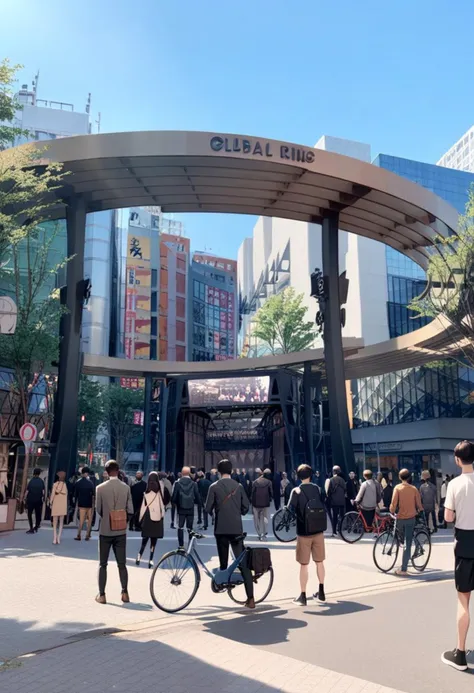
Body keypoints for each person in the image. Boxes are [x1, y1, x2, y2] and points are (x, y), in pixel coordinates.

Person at [205, 458, 255, 609]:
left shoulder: (214, 487)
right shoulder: (238, 486)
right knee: (243, 563)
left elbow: (207, 508)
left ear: (219, 472)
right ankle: (251, 598)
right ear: (231, 471)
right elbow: (246, 507)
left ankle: (224, 583)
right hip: (236, 529)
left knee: (223, 563)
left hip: (220, 529)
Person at [441, 440, 474, 671]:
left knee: (464, 599)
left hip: (465, 544)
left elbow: (448, 518)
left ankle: (460, 654)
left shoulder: (454, 484)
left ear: (457, 459)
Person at [95, 460, 133, 605]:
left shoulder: (100, 488)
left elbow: (98, 509)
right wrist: (122, 519)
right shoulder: (126, 488)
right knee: (122, 564)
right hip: (121, 530)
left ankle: (102, 595)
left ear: (106, 471)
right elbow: (130, 509)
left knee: (103, 564)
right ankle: (125, 592)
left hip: (105, 530)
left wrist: (107, 517)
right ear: (118, 470)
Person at [289, 464, 327, 606]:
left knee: (304, 565)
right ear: (311, 475)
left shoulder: (296, 490)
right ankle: (321, 592)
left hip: (303, 531)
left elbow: (289, 509)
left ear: (298, 476)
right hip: (318, 530)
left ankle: (303, 596)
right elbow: (324, 503)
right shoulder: (317, 489)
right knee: (320, 562)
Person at [390, 469, 423, 577]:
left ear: (399, 477)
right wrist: (420, 511)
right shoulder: (414, 489)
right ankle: (404, 568)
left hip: (400, 519)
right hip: (411, 518)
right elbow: (419, 504)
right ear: (409, 477)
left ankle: (403, 567)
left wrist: (391, 511)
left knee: (402, 539)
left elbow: (393, 504)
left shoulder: (397, 488)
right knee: (407, 542)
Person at [136, 471, 170, 568]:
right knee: (153, 541)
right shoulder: (160, 490)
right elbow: (165, 501)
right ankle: (150, 560)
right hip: (157, 517)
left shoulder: (147, 490)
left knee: (144, 540)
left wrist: (140, 519)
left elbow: (143, 506)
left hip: (148, 516)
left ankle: (139, 556)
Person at [171, 466, 201, 548]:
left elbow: (174, 497)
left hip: (181, 508)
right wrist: (197, 503)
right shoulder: (193, 484)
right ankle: (190, 544)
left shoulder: (177, 483)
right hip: (190, 508)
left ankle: (181, 545)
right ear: (189, 473)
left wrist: (176, 503)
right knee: (190, 527)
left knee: (180, 526)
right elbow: (197, 496)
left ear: (182, 473)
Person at [74, 466, 95, 541]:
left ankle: (79, 535)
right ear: (87, 473)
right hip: (89, 504)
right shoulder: (90, 483)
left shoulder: (78, 482)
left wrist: (75, 503)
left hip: (81, 504)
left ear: (82, 473)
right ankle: (87, 535)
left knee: (81, 520)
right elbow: (93, 494)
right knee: (89, 520)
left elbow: (75, 494)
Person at [251, 468, 273, 540]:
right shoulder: (269, 482)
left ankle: (259, 533)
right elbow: (271, 493)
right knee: (265, 518)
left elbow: (252, 493)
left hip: (256, 503)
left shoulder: (255, 482)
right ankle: (264, 532)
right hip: (265, 503)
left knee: (256, 519)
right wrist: (270, 499)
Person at [327, 466, 346, 537]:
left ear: (333, 471)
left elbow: (328, 491)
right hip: (342, 501)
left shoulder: (331, 480)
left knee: (334, 517)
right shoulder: (342, 480)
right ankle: (340, 531)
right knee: (341, 516)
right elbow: (345, 489)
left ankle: (334, 531)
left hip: (334, 502)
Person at [25, 468, 45, 534]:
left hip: (30, 500)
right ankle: (36, 526)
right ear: (39, 473)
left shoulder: (31, 481)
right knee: (38, 513)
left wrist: (24, 499)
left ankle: (31, 528)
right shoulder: (41, 481)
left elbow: (27, 491)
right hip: (38, 500)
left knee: (29, 514)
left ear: (34, 473)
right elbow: (43, 492)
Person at [50, 471, 68, 545]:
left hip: (56, 504)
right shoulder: (65, 485)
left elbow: (52, 495)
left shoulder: (55, 484)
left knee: (55, 523)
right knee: (61, 523)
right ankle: (59, 538)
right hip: (63, 505)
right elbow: (66, 496)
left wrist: (50, 502)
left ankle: (54, 538)